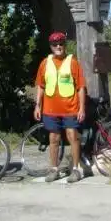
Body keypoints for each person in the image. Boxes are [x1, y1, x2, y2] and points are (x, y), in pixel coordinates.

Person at [34, 31, 87, 184]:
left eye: (61, 43)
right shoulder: (45, 63)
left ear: (65, 45)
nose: (58, 46)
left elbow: (81, 87)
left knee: (73, 137)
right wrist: (37, 105)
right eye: (55, 44)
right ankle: (54, 169)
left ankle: (76, 169)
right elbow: (41, 86)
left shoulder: (72, 62)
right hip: (50, 109)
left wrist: (82, 108)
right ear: (51, 46)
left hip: (70, 108)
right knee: (54, 138)